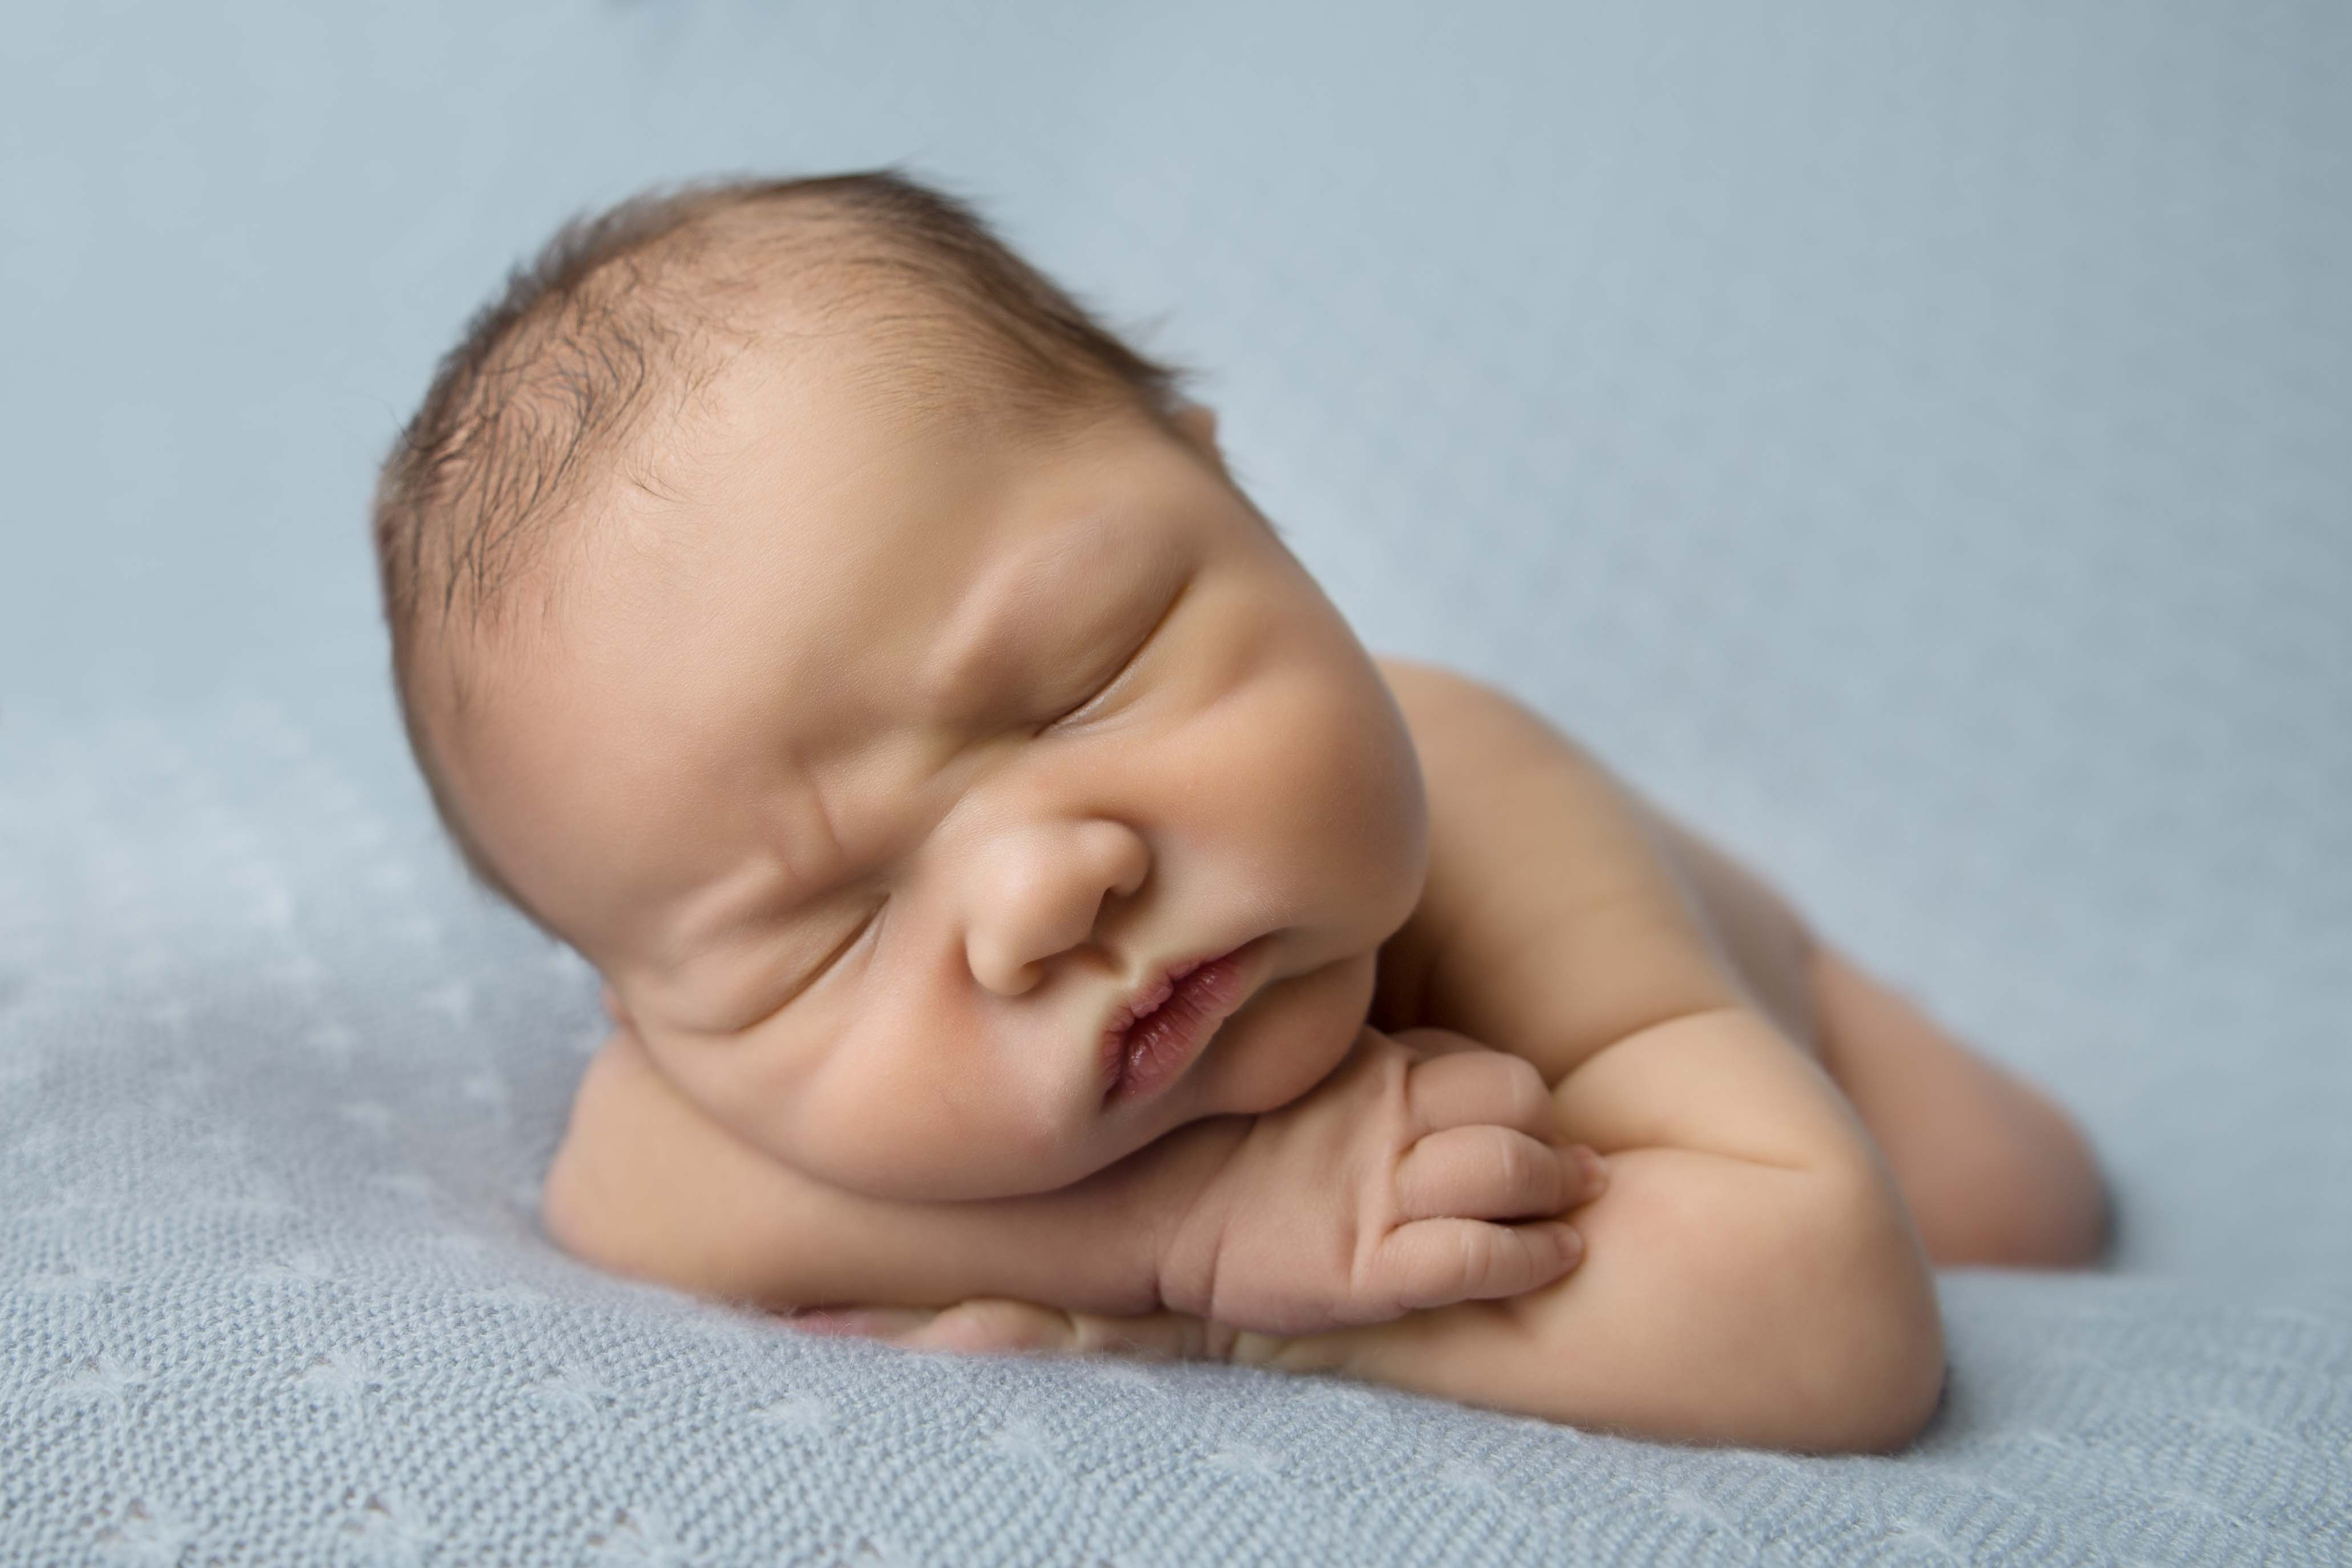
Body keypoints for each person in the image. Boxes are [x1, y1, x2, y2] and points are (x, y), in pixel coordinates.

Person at [370, 169, 2109, 1453]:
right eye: (831, 931)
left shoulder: (1492, 808)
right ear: (653, 1015)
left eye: (1081, 678)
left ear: (1235, 495)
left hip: (1781, 1026)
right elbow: (625, 1179)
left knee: (2024, 1206)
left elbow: (1828, 1315)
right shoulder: (699, 1091)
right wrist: (1188, 1228)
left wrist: (1246, 1325)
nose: (1041, 891)